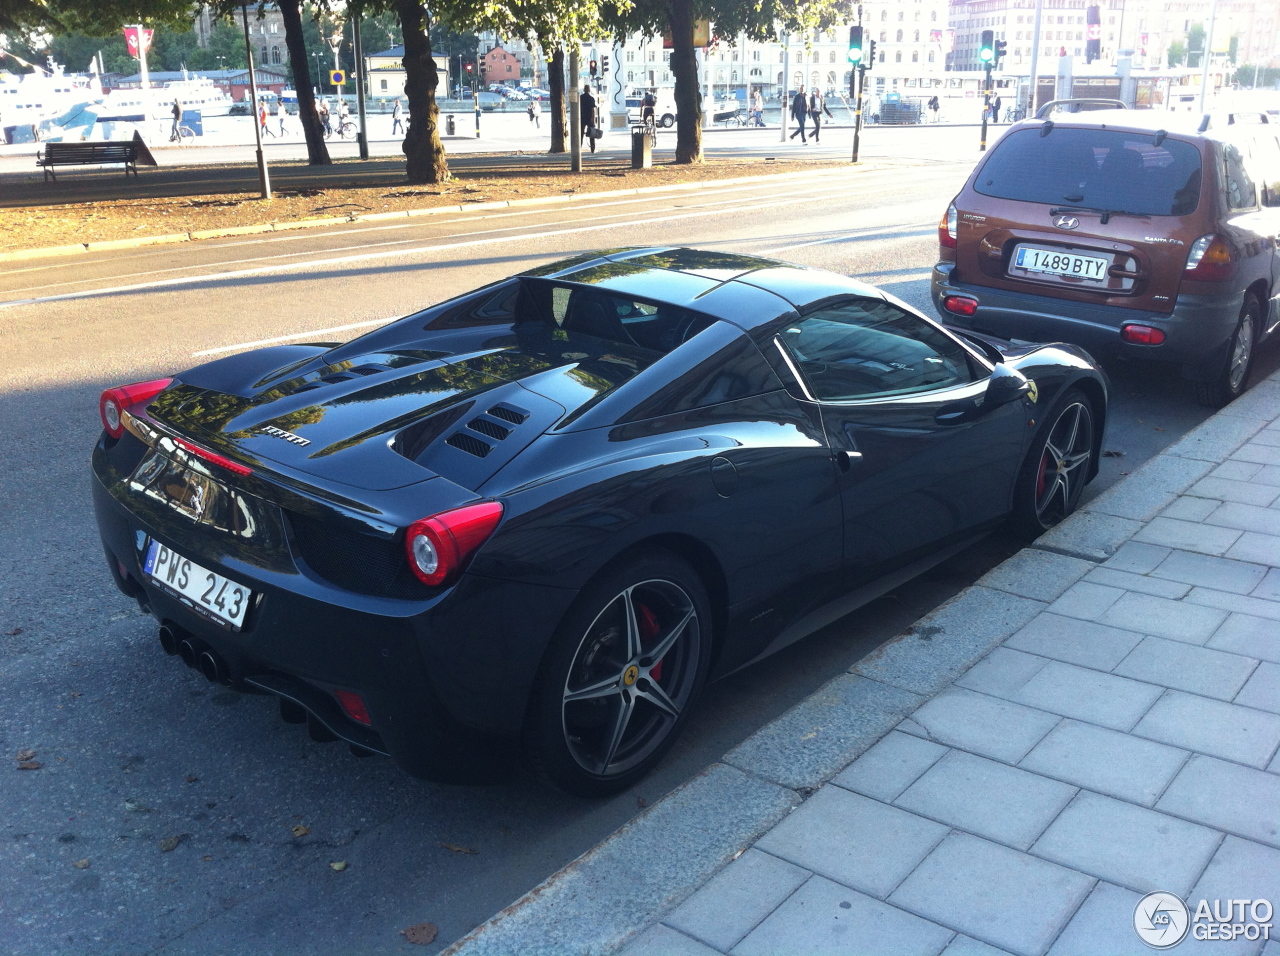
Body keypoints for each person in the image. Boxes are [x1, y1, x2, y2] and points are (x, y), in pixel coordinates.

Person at [580, 84, 598, 153]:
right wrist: (593, 119)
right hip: (589, 118)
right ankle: (592, 149)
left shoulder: (580, 98)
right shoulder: (591, 98)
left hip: (582, 117)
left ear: (584, 90)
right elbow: (592, 110)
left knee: (580, 134)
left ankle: (579, 147)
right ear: (589, 90)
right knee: (592, 134)